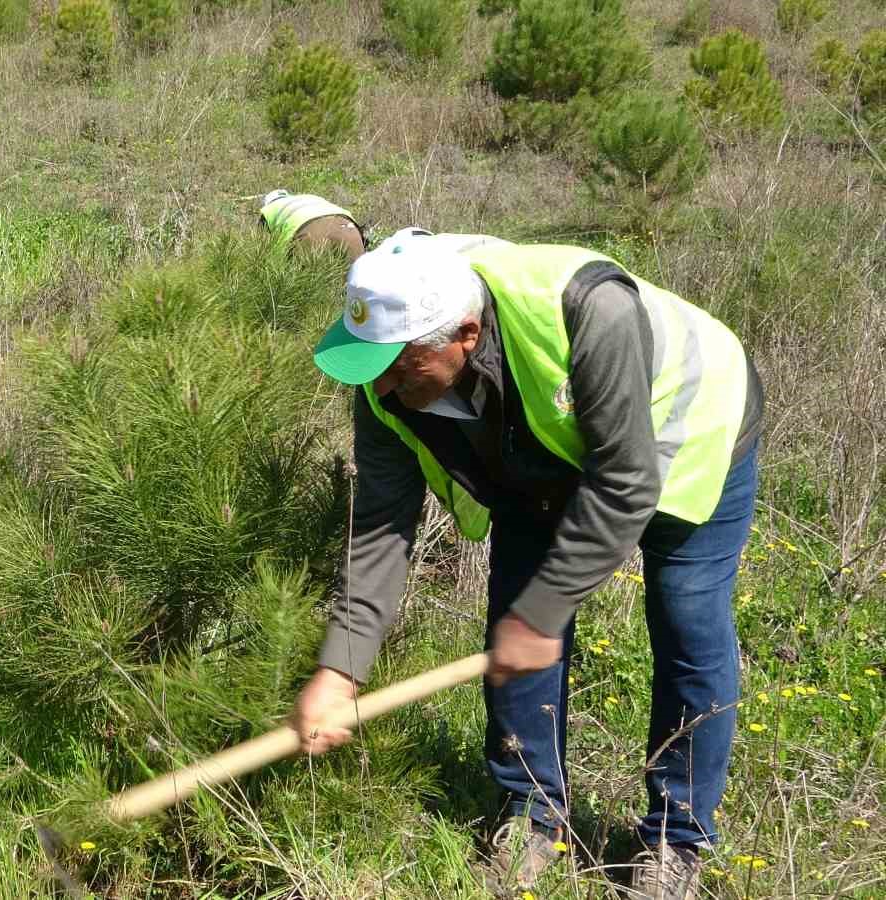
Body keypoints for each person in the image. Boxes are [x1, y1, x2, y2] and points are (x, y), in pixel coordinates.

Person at [291, 232, 763, 900]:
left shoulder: (588, 309)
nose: (383, 385)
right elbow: (378, 528)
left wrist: (544, 614)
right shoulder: (383, 383)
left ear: (463, 333)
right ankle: (533, 816)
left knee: (687, 619)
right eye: (371, 364)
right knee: (515, 615)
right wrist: (340, 670)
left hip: (694, 423)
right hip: (546, 450)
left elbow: (625, 483)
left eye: (400, 364)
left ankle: (675, 839)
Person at [257, 189, 366, 261]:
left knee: (313, 291)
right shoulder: (309, 198)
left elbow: (266, 253)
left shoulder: (268, 210)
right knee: (358, 288)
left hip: (309, 234)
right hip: (348, 228)